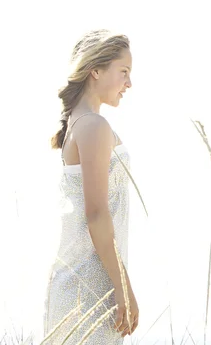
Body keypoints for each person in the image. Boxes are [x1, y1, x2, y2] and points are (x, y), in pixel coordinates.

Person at [42, 29, 139, 344]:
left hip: (84, 287)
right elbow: (97, 216)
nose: (129, 83)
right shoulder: (94, 127)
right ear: (95, 70)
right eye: (123, 72)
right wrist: (123, 289)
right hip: (87, 292)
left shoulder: (82, 124)